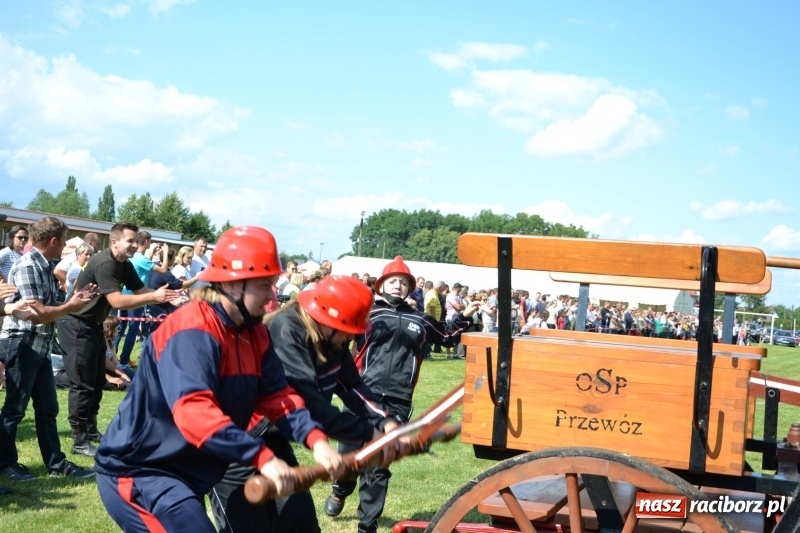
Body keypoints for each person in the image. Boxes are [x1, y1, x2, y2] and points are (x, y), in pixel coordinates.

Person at [94, 225, 345, 532]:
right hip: (141, 470)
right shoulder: (191, 331)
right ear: (232, 285)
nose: (271, 296)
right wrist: (261, 457)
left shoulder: (255, 333)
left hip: (189, 471)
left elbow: (278, 397)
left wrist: (317, 441)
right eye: (264, 285)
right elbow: (195, 411)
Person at [210, 274, 399, 533]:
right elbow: (307, 403)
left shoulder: (331, 337)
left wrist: (385, 422)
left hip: (274, 442)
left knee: (301, 524)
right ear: (331, 321)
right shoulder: (286, 331)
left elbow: (352, 386)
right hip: (235, 446)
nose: (350, 339)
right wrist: (367, 432)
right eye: (349, 331)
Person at [324, 256, 480, 533]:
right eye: (392, 281)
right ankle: (340, 489)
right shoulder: (367, 314)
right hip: (360, 394)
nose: (398, 286)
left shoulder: (419, 318)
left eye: (403, 282)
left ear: (410, 288)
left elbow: (446, 336)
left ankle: (367, 526)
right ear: (382, 285)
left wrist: (464, 316)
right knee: (350, 457)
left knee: (379, 463)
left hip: (397, 401)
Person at [56, 222, 183, 457]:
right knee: (82, 384)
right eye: (130, 241)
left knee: (95, 381)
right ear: (114, 242)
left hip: (92, 324)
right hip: (74, 323)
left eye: (136, 241)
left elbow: (141, 291)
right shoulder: (106, 263)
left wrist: (166, 299)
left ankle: (91, 432)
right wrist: (154, 296)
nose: (135, 245)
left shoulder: (123, 264)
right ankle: (79, 440)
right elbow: (116, 301)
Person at [0, 217, 98, 482]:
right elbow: (38, 313)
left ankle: (56, 463)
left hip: (39, 345)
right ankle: (6, 464)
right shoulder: (28, 265)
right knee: (15, 409)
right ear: (54, 241)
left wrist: (74, 297)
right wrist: (71, 306)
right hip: (21, 343)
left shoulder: (45, 265)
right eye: (64, 241)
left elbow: (50, 304)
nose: (65, 246)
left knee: (47, 408)